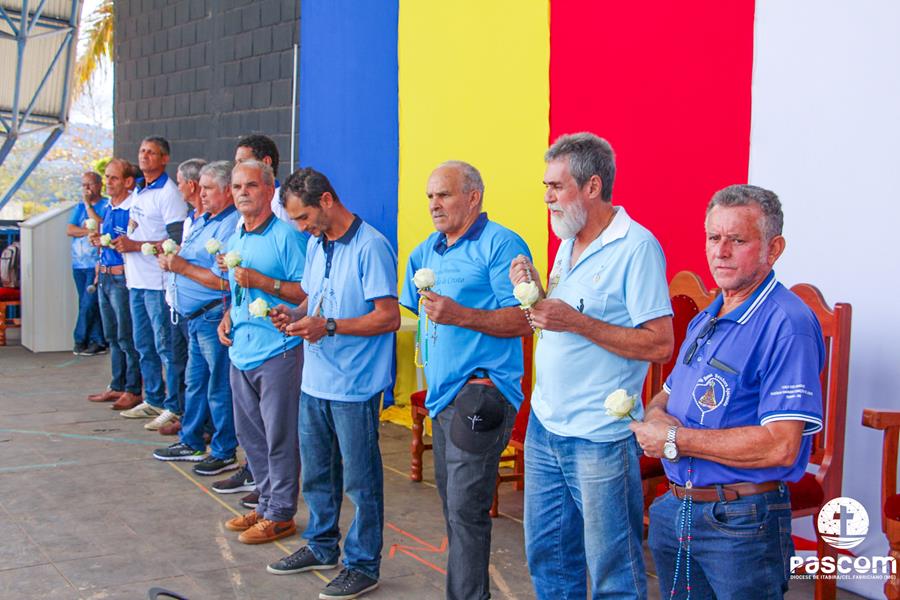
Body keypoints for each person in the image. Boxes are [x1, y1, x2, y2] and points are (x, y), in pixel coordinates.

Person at [630, 184, 824, 600]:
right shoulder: (707, 317)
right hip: (677, 508)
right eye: (713, 237)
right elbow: (666, 395)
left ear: (774, 249)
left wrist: (673, 438)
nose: (720, 252)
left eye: (737, 240)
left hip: (740, 521)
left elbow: (781, 446)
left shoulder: (787, 324)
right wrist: (656, 417)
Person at [509, 132, 673, 599]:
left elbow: (661, 344)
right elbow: (564, 318)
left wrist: (577, 322)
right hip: (546, 425)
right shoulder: (569, 238)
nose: (547, 197)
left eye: (556, 186)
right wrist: (537, 293)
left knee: (613, 572)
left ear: (593, 186)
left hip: (599, 437)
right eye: (546, 186)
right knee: (549, 558)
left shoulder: (636, 247)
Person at [398, 161, 532, 600]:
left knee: (464, 510)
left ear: (473, 197)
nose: (434, 204)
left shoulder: (501, 244)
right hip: (441, 396)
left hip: (482, 390)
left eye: (444, 195)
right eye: (430, 196)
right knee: (453, 506)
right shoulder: (426, 250)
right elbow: (419, 310)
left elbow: (524, 319)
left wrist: (460, 315)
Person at [266, 167, 399, 600]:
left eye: (303, 218)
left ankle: (363, 565)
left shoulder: (371, 246)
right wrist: (295, 314)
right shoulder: (316, 243)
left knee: (361, 482)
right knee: (318, 476)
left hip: (355, 387)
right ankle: (322, 546)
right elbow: (314, 297)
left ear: (326, 200)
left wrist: (328, 325)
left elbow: (388, 317)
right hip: (315, 381)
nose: (301, 227)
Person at [216, 160, 307, 545]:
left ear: (270, 190)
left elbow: (308, 293)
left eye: (251, 185)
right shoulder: (236, 235)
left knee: (279, 435)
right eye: (237, 186)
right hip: (241, 350)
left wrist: (263, 281)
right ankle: (266, 502)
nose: (242, 193)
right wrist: (227, 317)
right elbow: (240, 291)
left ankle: (281, 513)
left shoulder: (286, 236)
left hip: (278, 349)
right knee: (250, 435)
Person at [153, 161, 242, 476]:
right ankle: (191, 441)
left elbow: (225, 281)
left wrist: (181, 267)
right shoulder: (205, 219)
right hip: (195, 317)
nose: (200, 194)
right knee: (195, 384)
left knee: (219, 387)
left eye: (208, 188)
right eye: (200, 188)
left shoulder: (230, 226)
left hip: (213, 315)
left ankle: (224, 450)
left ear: (227, 191)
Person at [111, 137, 189, 421]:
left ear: (164, 158)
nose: (144, 156)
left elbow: (176, 241)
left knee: (165, 346)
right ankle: (153, 398)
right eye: (142, 151)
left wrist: (136, 245)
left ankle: (174, 405)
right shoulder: (139, 190)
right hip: (136, 281)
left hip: (158, 283)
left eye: (151, 152)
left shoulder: (168, 193)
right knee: (143, 345)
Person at [154, 158, 209, 436]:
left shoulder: (216, 223)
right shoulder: (191, 219)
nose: (177, 189)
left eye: (179, 182)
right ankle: (189, 418)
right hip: (180, 303)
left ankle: (204, 426)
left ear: (191, 185)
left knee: (204, 375)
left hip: (202, 309)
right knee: (186, 368)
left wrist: (180, 264)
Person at [86, 160, 142, 408]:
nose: (108, 182)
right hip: (105, 275)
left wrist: (108, 242)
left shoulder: (132, 208)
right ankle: (117, 384)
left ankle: (133, 388)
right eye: (107, 177)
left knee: (126, 335)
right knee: (112, 335)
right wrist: (99, 241)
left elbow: (131, 242)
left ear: (128, 182)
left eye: (114, 178)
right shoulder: (110, 206)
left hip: (122, 277)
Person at [67, 171, 109, 356]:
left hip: (95, 263)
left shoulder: (106, 204)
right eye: (83, 185)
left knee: (89, 302)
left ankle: (80, 339)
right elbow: (70, 229)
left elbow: (101, 225)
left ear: (99, 185)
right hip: (79, 263)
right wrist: (87, 231)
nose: (86, 188)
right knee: (86, 303)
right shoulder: (78, 207)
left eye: (90, 184)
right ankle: (98, 341)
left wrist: (88, 205)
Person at [234, 134, 291, 224]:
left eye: (242, 162)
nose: (236, 168)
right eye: (236, 163)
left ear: (266, 162)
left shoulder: (280, 202)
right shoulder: (246, 211)